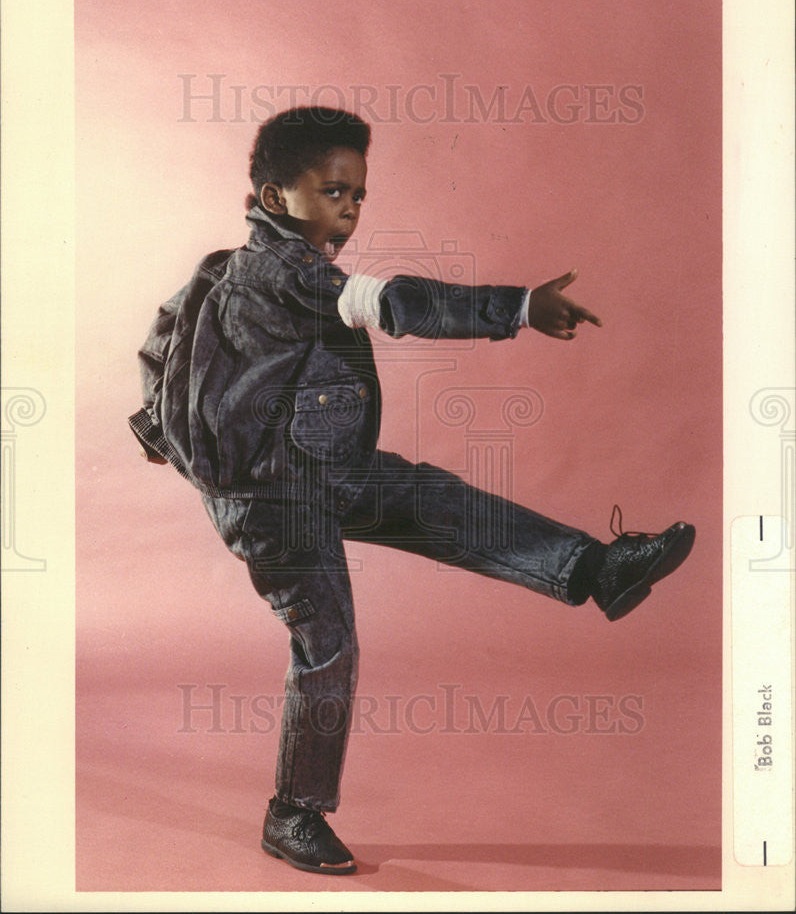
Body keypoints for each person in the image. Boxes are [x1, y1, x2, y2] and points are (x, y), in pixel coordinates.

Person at [128, 107, 695, 876]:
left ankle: (597, 570)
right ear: (273, 197)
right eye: (332, 193)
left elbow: (163, 342)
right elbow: (393, 303)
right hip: (273, 502)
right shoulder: (284, 270)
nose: (351, 211)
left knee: (441, 501)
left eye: (359, 195)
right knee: (328, 644)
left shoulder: (219, 268)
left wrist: (154, 434)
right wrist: (518, 308)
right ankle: (293, 814)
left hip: (323, 466)